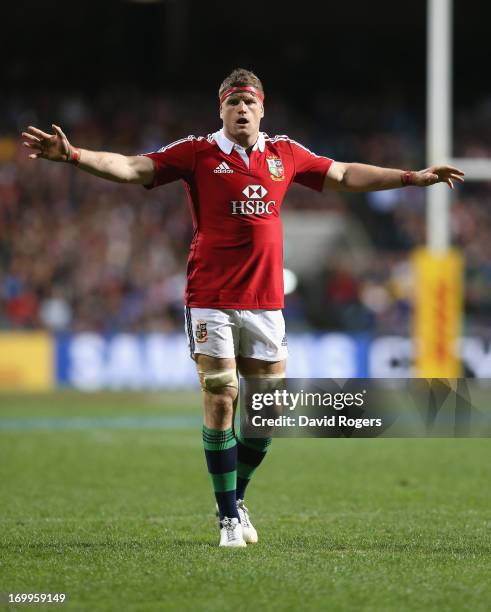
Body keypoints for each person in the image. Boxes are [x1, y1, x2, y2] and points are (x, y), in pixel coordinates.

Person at [22, 68, 464, 547]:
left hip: (266, 302)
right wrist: (73, 154)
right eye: (232, 102)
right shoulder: (197, 152)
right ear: (221, 109)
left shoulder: (284, 155)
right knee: (220, 393)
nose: (241, 110)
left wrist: (410, 178)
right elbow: (132, 168)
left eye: (248, 103)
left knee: (265, 414)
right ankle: (228, 516)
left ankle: (236, 496)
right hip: (211, 296)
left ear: (261, 108)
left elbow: (342, 174)